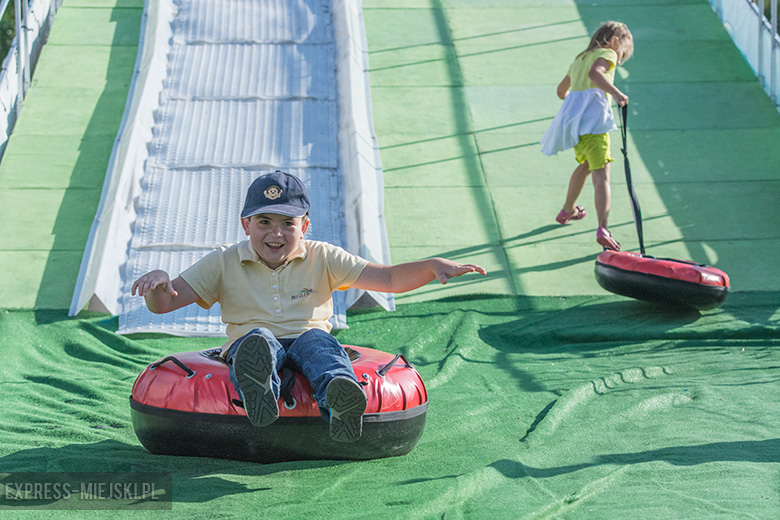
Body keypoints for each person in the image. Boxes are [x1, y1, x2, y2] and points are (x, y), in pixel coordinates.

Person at [131, 170, 486, 443]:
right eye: (264, 222)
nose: (276, 233)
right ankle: (260, 392)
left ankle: (341, 398)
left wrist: (430, 266)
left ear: (305, 226)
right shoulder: (223, 262)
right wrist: (159, 282)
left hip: (306, 337)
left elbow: (388, 279)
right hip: (251, 342)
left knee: (320, 344)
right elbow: (165, 303)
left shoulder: (323, 256)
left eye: (288, 223)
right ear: (246, 225)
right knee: (258, 341)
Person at [540, 21, 634, 251]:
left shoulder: (580, 58)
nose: (619, 59)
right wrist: (617, 94)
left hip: (576, 125)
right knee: (602, 174)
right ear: (614, 41)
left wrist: (577, 100)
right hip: (594, 123)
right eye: (622, 52)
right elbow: (596, 74)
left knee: (586, 165)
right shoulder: (606, 53)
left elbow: (562, 91)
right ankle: (603, 227)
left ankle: (568, 210)